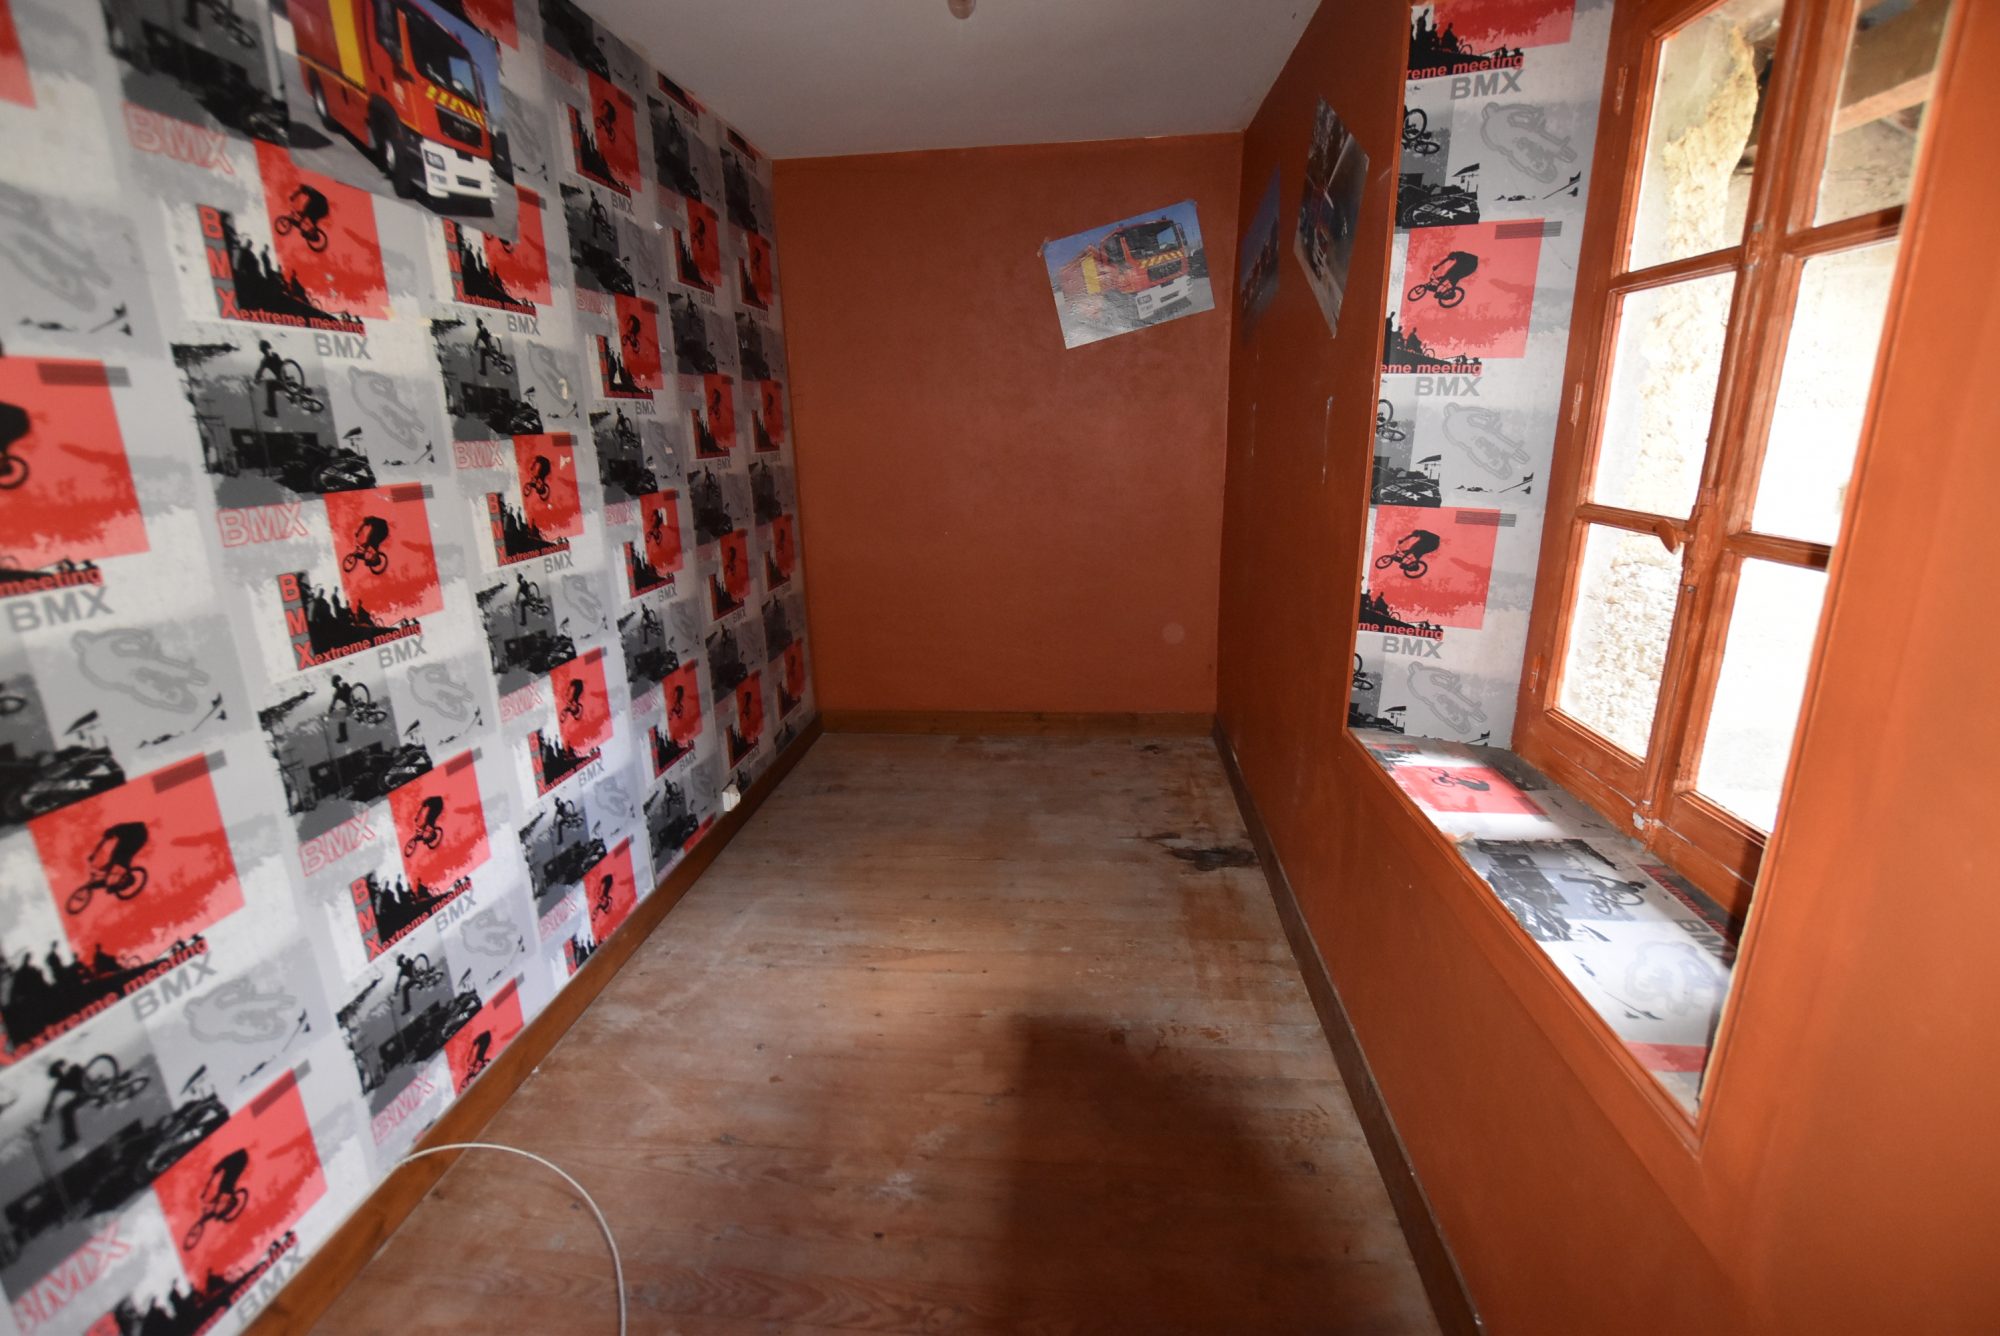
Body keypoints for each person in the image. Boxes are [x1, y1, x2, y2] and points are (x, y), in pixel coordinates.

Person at [40, 1058, 90, 1150]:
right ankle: (71, 1138)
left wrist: (88, 1083)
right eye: (57, 1075)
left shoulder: (74, 1069)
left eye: (58, 1073)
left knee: (66, 1110)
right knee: (65, 1110)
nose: (59, 1075)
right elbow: (51, 1100)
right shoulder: (61, 1083)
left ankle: (72, 1138)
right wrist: (46, 1114)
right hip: (84, 1095)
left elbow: (85, 1075)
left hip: (88, 1090)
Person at [89, 821, 150, 890]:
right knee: (123, 856)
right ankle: (126, 876)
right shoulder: (117, 831)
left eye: (109, 837)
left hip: (136, 835)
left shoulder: (117, 830)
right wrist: (94, 855)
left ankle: (126, 879)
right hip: (141, 837)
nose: (111, 838)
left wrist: (94, 855)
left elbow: (101, 844)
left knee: (117, 855)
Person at [200, 1147, 251, 1217]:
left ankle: (233, 1200)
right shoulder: (223, 1164)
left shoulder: (225, 1163)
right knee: (224, 1185)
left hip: (239, 1160)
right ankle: (217, 1205)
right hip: (236, 1160)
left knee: (227, 1184)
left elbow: (221, 1167)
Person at [253, 340, 291, 417]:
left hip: (281, 381)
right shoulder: (275, 355)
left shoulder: (265, 360)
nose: (263, 351)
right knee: (275, 383)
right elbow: (282, 365)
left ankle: (272, 411)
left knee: (269, 385)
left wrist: (257, 379)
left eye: (263, 349)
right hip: (285, 379)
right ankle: (300, 391)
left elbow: (260, 371)